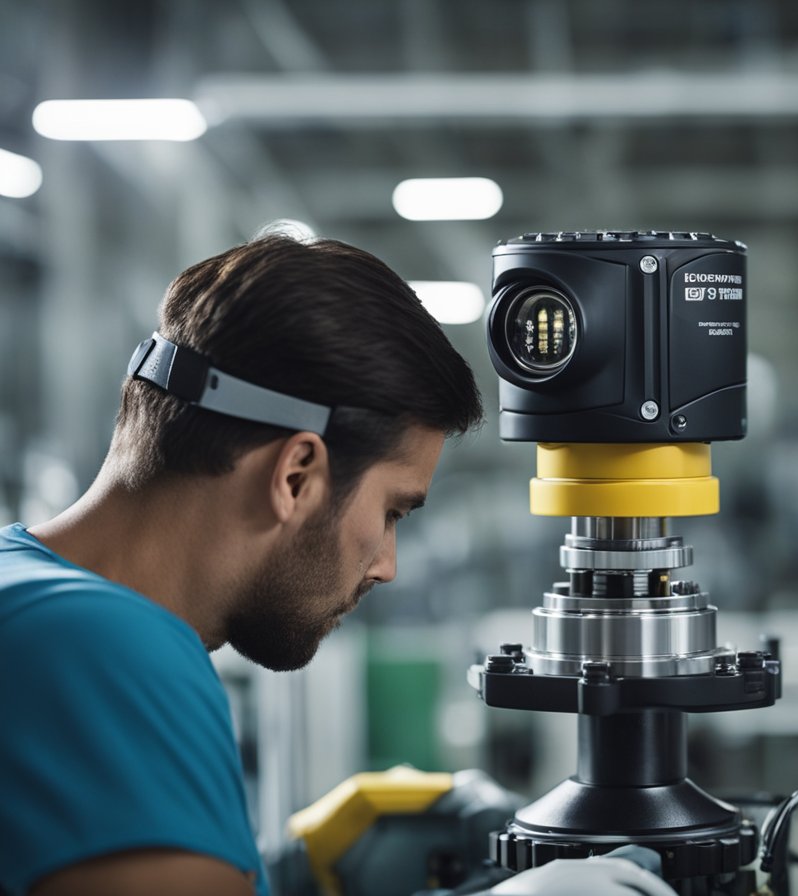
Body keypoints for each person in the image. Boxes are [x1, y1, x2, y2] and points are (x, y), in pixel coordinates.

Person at [0, 233, 485, 895]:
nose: (386, 566)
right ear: (296, 476)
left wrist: (280, 876)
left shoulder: (26, 589)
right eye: (393, 512)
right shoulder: (108, 650)